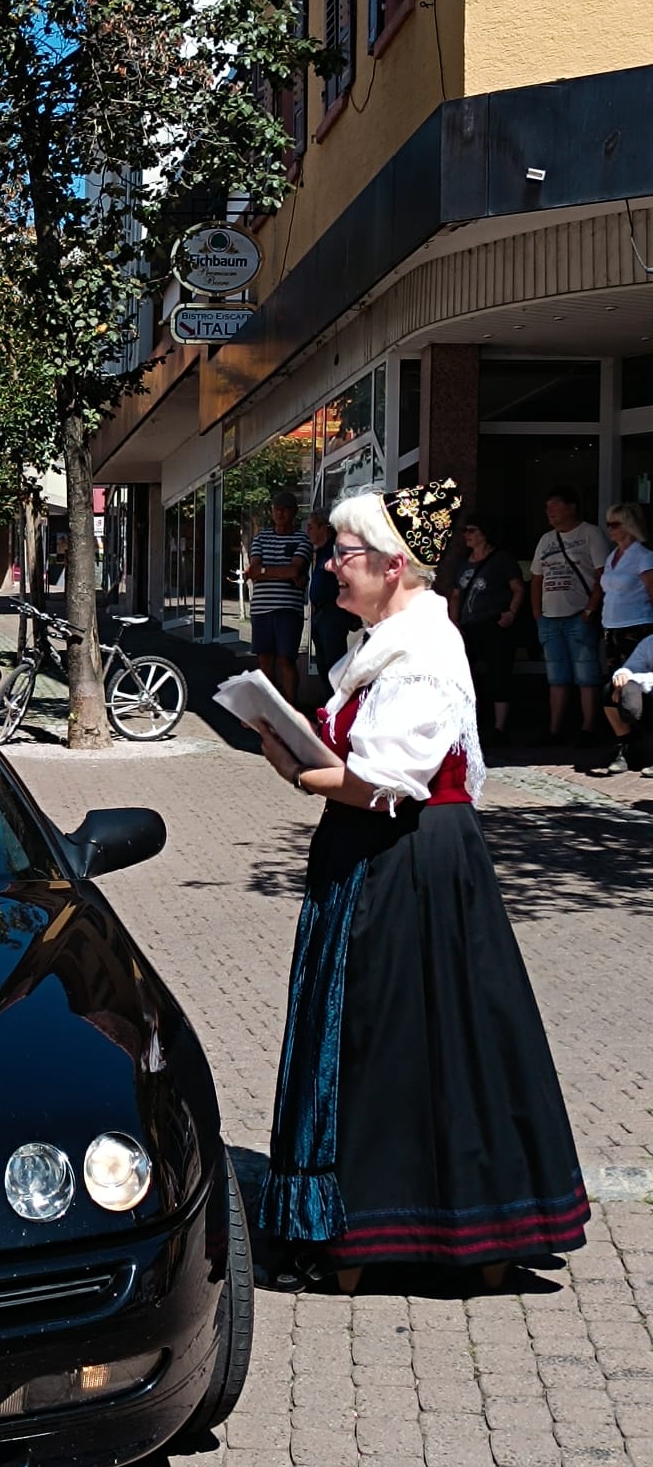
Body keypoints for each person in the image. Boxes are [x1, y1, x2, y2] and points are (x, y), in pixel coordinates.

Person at [254, 477, 588, 1293]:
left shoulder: (425, 651)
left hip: (411, 862)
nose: (331, 567)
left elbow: (383, 779)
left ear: (395, 564)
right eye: (334, 552)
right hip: (373, 854)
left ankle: (392, 1224)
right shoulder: (379, 644)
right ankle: (358, 1220)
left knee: (400, 1037)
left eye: (346, 554)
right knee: (381, 1034)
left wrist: (302, 770)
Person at [530, 486, 609, 745]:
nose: (549, 512)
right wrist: (537, 613)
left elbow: (601, 575)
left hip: (579, 614)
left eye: (555, 505)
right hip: (549, 616)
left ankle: (588, 728)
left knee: (586, 675)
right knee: (556, 676)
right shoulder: (546, 539)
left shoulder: (590, 534)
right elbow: (536, 578)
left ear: (571, 506)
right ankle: (555, 730)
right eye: (547, 507)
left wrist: (591, 608)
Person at [447, 514, 524, 745]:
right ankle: (469, 725)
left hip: (494, 624)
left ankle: (500, 728)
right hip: (468, 626)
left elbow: (518, 588)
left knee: (498, 674)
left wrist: (511, 612)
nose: (466, 536)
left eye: (471, 530)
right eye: (465, 531)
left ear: (484, 533)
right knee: (466, 677)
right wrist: (454, 623)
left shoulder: (502, 560)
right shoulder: (464, 562)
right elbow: (455, 595)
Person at [247, 490, 313, 702]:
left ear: (294, 512)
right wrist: (282, 572)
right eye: (276, 509)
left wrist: (266, 571)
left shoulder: (302, 539)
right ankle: (269, 707)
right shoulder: (261, 538)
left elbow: (295, 570)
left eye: (284, 509)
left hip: (288, 610)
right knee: (264, 660)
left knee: (286, 659)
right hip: (261, 609)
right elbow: (253, 571)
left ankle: (290, 709)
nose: (280, 513)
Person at [306, 509, 358, 696]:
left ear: (324, 528)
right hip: (319, 613)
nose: (308, 531)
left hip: (333, 613)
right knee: (322, 663)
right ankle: (329, 704)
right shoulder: (320, 553)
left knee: (334, 664)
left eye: (311, 527)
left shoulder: (335, 550)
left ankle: (337, 705)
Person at [599, 501, 653, 671]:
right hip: (611, 625)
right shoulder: (611, 556)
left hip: (636, 625)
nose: (610, 529)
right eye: (608, 524)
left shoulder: (644, 556)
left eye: (614, 525)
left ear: (629, 525)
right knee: (615, 677)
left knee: (633, 677)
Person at [592, 631, 653, 777]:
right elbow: (631, 666)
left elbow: (636, 675)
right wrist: (621, 677)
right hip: (648, 691)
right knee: (610, 690)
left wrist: (633, 678)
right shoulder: (649, 642)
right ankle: (628, 747)